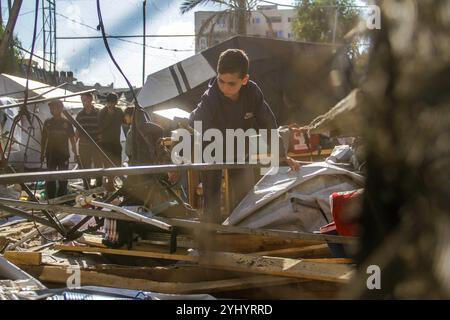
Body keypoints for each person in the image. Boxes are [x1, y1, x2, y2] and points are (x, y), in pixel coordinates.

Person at [189, 49, 301, 224]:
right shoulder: (210, 98)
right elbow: (197, 124)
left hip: (240, 146)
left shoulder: (253, 93)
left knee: (244, 196)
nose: (225, 87)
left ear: (244, 80)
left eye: (231, 83)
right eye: (221, 81)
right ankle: (210, 237)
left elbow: (268, 124)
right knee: (211, 199)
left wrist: (281, 156)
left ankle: (241, 229)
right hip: (211, 146)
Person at [41, 99, 77, 199]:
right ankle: (51, 198)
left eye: (54, 107)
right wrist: (42, 153)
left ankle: (62, 199)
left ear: (60, 108)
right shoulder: (47, 122)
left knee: (63, 177)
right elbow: (43, 139)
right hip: (50, 154)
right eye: (51, 108)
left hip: (63, 155)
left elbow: (72, 139)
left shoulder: (66, 123)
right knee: (50, 177)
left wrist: (75, 153)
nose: (52, 110)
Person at [76, 92, 102, 187]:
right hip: (83, 145)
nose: (83, 102)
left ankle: (99, 187)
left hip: (96, 145)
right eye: (82, 100)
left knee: (98, 166)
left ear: (91, 100)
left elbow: (102, 129)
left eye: (85, 100)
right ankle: (87, 187)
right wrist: (74, 145)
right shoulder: (80, 115)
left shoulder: (98, 113)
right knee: (85, 167)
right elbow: (77, 131)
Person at [98, 92, 124, 166]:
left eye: (114, 102)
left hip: (116, 143)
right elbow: (100, 127)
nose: (112, 104)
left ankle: (115, 177)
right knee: (108, 165)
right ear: (108, 102)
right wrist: (109, 116)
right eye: (111, 102)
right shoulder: (102, 112)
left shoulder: (119, 111)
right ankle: (109, 177)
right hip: (106, 144)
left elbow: (125, 122)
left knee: (117, 164)